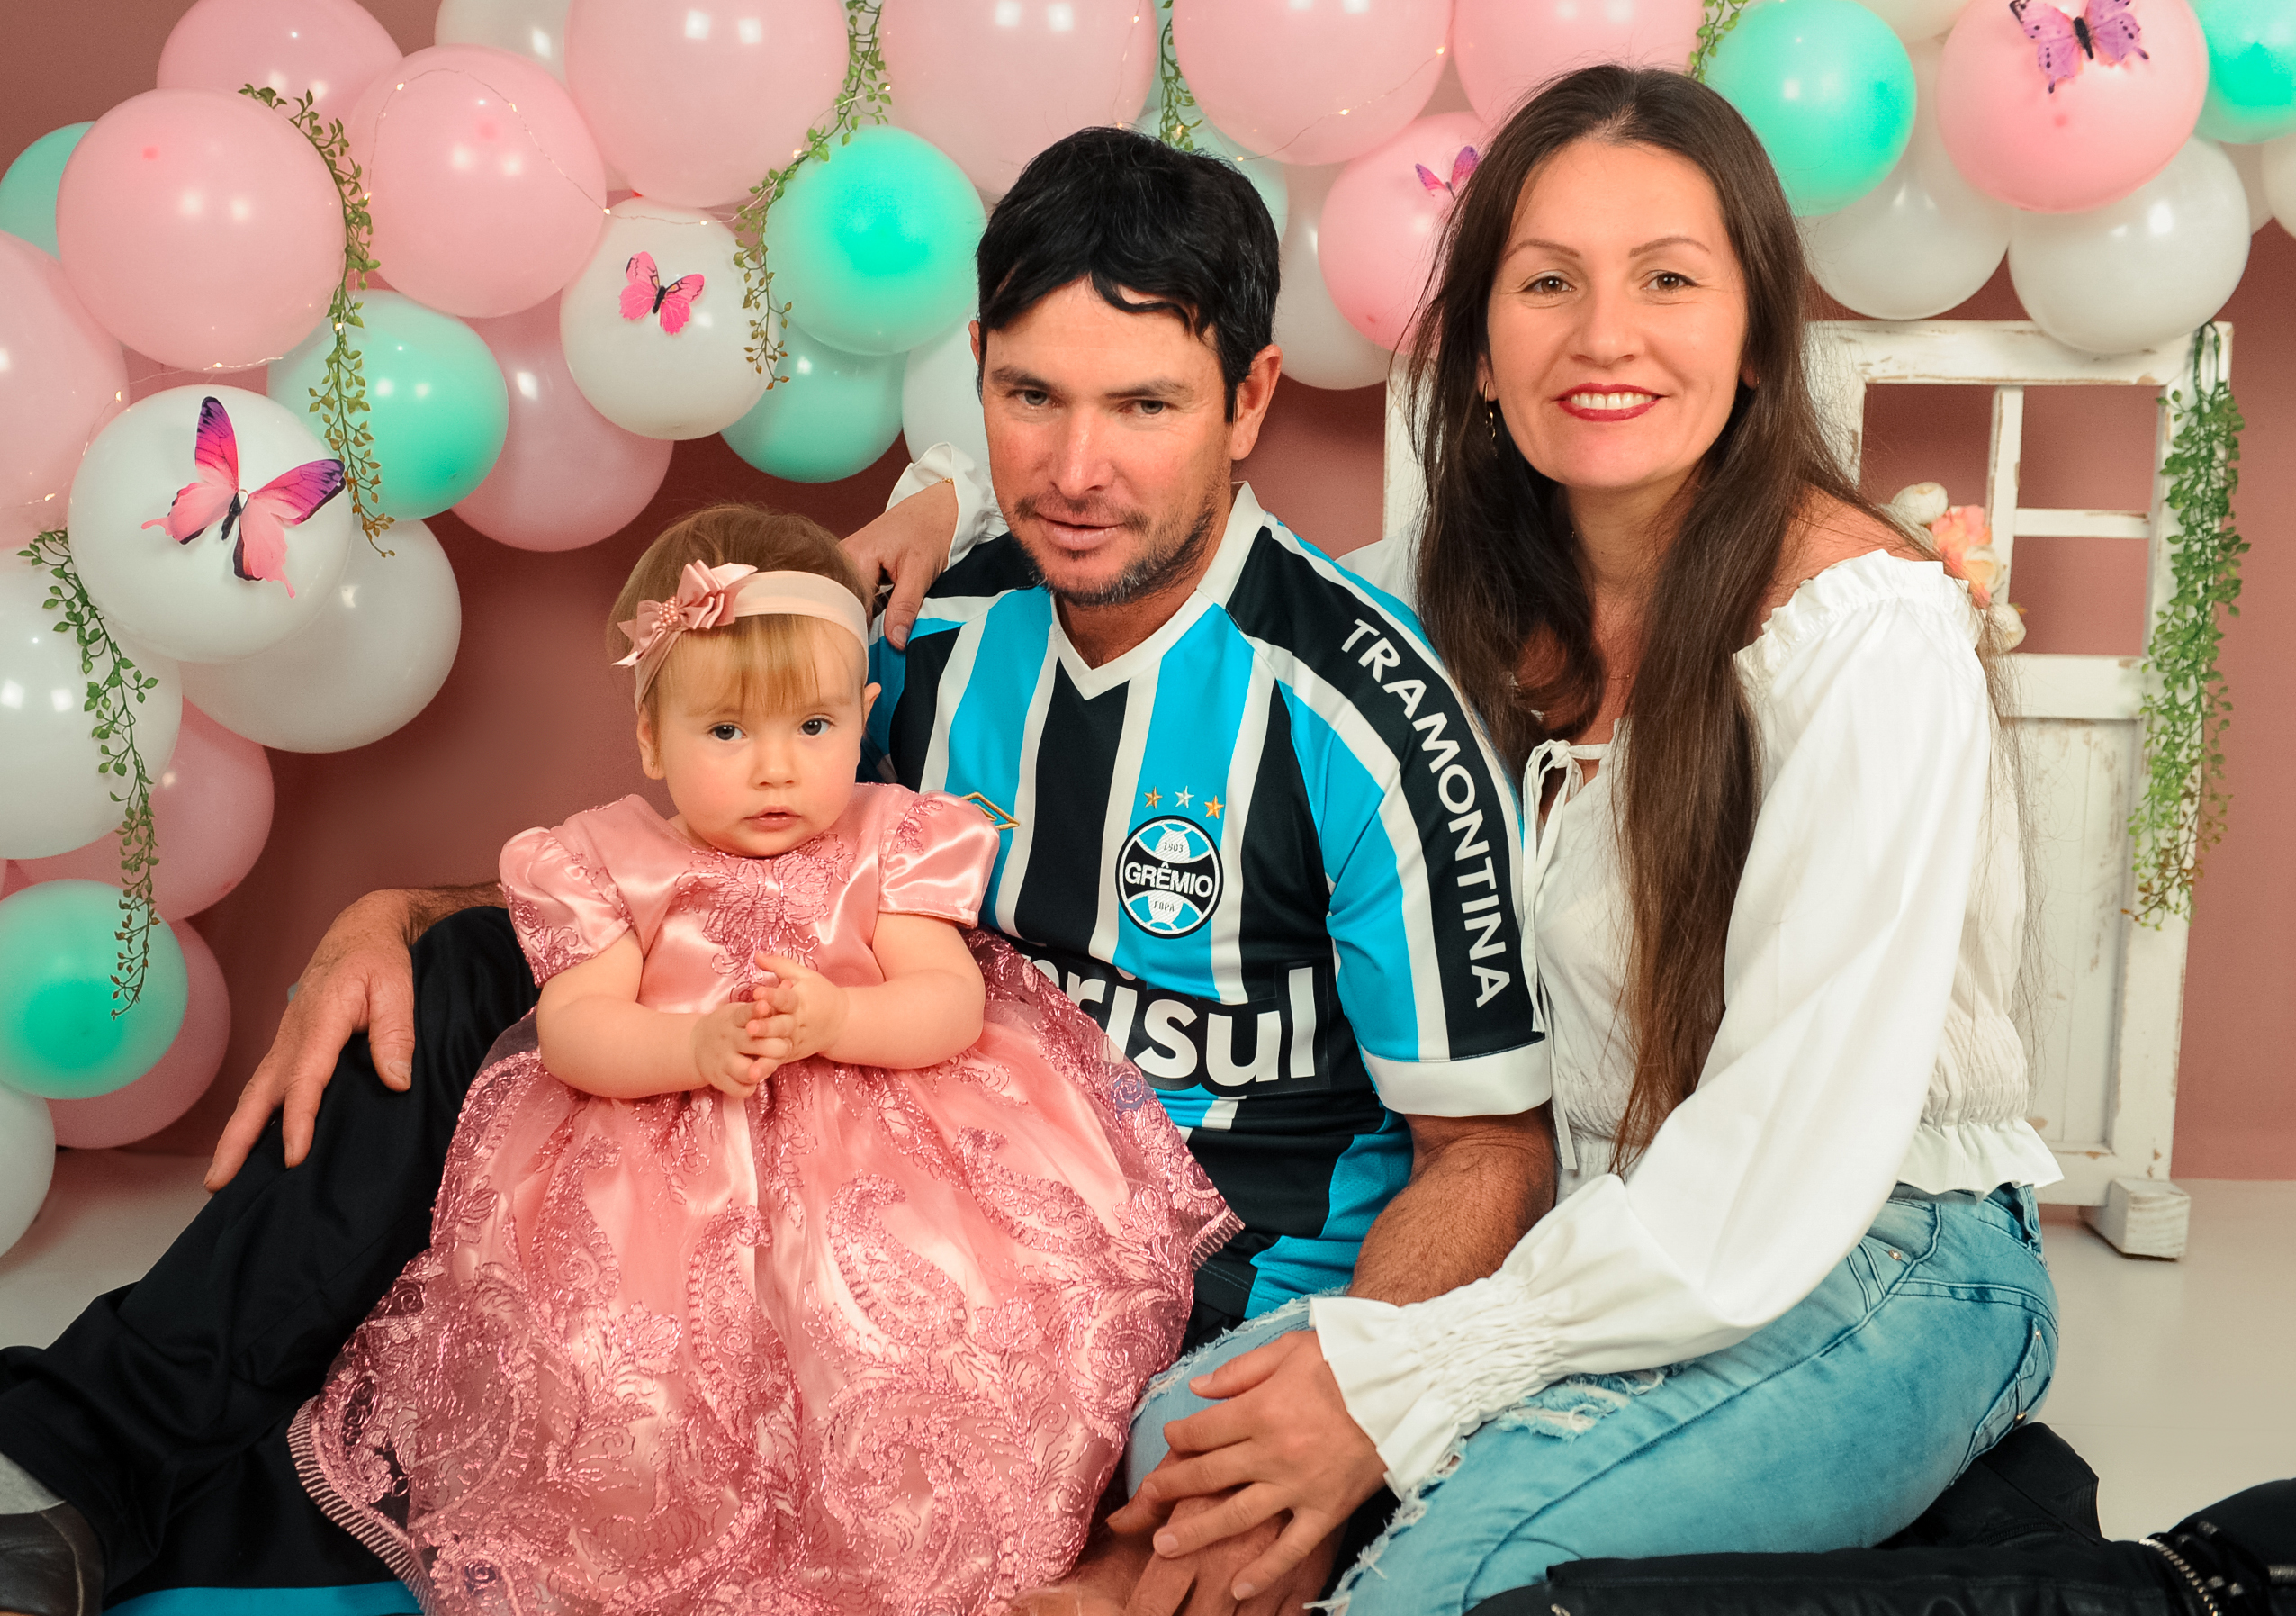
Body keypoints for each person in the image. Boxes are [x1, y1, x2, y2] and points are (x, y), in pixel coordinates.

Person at [0, 126, 1549, 1616]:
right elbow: (717, 867)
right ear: (979, 378)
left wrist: (1351, 1385)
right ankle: (76, 1472)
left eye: (1143, 404)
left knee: (1122, 1511)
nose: (1077, 468)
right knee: (463, 984)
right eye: (1031, 396)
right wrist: (396, 915)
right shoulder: (930, 630)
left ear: (1249, 397)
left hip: (1196, 1258)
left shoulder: (1364, 716)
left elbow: (1489, 1147)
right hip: (886, 1159)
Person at [1067, 64, 2066, 1615]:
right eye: (1546, 283)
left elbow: (1776, 1162)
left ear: (1754, 337)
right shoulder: (1433, 592)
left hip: (1863, 1252)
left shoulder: (1862, 637)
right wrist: (928, 512)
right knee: (1182, 1448)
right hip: (1570, 1235)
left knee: (1438, 1589)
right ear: (1476, 350)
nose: (1603, 336)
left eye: (1667, 280)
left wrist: (1400, 1383)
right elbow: (1195, 597)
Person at [290, 507, 1237, 1613]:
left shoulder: (891, 839)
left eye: (814, 726)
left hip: (884, 1156)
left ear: (863, 716)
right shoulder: (609, 860)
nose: (775, 767)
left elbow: (947, 1003)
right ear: (653, 739)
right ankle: (656, 1534)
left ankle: (892, 1527)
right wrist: (689, 1044)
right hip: (664, 1166)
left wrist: (836, 1019)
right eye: (728, 732)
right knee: (622, 1366)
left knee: (913, 1320)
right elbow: (575, 1027)